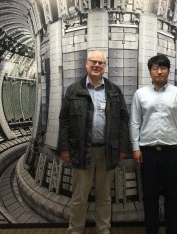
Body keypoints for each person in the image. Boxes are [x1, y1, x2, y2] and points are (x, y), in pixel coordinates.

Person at [58, 50, 130, 234]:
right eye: (93, 62)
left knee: (104, 197)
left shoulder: (114, 90)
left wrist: (122, 148)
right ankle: (75, 230)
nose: (96, 65)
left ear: (105, 67)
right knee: (79, 197)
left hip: (107, 152)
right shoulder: (74, 90)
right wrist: (64, 148)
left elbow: (123, 120)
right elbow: (64, 121)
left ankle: (103, 229)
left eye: (100, 62)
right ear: (86, 64)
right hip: (82, 151)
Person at [130, 54, 177, 234]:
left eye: (163, 68)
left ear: (168, 71)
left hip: (172, 151)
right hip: (147, 152)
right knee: (149, 195)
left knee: (172, 194)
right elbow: (134, 122)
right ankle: (152, 229)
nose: (159, 71)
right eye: (155, 68)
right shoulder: (140, 94)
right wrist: (135, 148)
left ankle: (172, 229)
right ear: (149, 72)